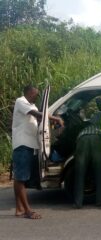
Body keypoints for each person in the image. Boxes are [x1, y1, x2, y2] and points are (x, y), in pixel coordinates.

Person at [12, 85, 63, 219]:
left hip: (29, 145)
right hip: (22, 144)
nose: (36, 96)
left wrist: (53, 121)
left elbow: (41, 118)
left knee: (20, 178)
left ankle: (19, 209)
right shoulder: (21, 101)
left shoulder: (32, 106)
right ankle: (28, 211)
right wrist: (55, 119)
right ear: (28, 92)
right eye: (35, 94)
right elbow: (37, 115)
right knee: (20, 178)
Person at [73, 97, 101, 208]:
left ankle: (78, 202)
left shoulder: (96, 114)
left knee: (80, 171)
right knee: (99, 170)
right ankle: (99, 200)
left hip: (83, 137)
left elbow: (89, 124)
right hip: (98, 138)